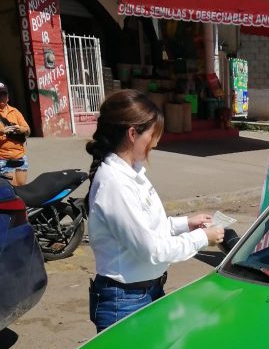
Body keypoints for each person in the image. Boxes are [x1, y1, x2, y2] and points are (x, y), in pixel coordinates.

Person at [87, 89, 224, 333]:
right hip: (125, 300)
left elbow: (150, 226)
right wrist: (202, 238)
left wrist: (186, 224)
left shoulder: (133, 173)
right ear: (132, 134)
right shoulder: (115, 184)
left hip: (146, 290)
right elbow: (151, 250)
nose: (157, 142)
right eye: (153, 135)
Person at [0, 82, 30, 186]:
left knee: (21, 185)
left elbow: (28, 130)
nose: (1, 97)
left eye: (3, 94)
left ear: (7, 97)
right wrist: (3, 131)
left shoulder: (15, 112)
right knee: (12, 187)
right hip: (3, 158)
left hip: (19, 156)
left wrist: (20, 129)